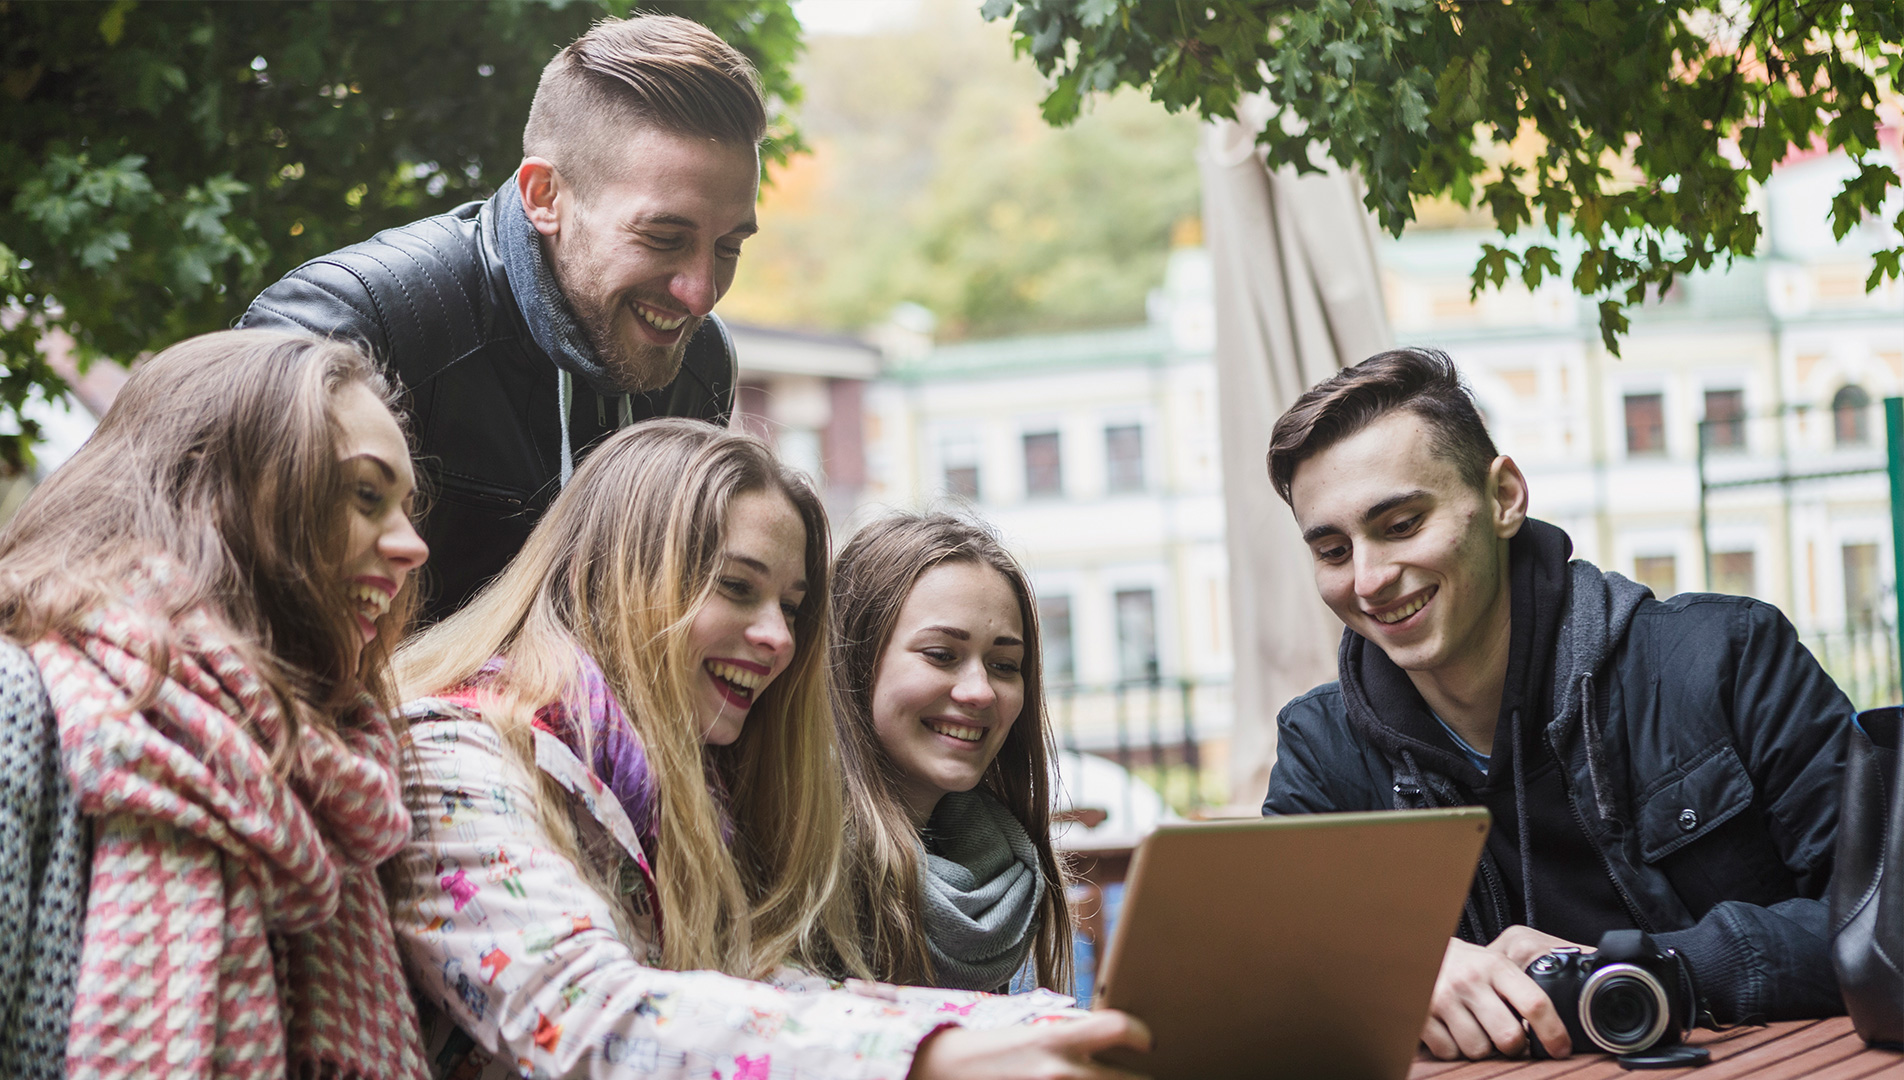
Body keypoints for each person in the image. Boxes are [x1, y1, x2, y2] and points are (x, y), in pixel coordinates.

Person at [389, 420, 1144, 1080]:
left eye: (791, 605)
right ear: (618, 575)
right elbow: (587, 1018)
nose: (780, 638)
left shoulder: (669, 787)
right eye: (737, 588)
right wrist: (927, 1053)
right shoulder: (456, 755)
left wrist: (1014, 1027)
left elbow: (751, 986)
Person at [1260, 348, 1851, 1061]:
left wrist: (1635, 975)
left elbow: (1885, 920)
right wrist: (1398, 970)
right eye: (1331, 549)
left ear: (1505, 496)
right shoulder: (1323, 750)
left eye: (1402, 524)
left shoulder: (1726, 660)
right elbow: (1275, 976)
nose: (1369, 578)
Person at [0, 330, 431, 1078]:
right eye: (365, 494)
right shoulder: (6, 699)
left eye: (405, 507)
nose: (412, 545)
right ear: (217, 493)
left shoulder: (342, 795)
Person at [240, 13, 755, 621]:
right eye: (664, 237)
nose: (699, 294)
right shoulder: (353, 320)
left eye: (729, 248)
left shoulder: (700, 363)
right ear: (545, 196)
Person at [830, 513, 1073, 994]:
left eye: (1005, 665)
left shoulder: (1005, 866)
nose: (980, 691)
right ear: (853, 659)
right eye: (941, 654)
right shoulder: (796, 861)